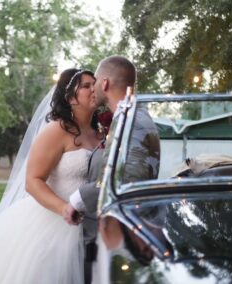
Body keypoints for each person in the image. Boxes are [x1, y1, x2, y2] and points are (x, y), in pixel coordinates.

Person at [0, 68, 102, 284]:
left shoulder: (101, 133)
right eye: (86, 86)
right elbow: (33, 181)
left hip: (94, 224)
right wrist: (64, 208)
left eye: (95, 83)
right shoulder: (57, 131)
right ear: (70, 97)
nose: (94, 89)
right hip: (54, 221)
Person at [62, 55, 161, 283]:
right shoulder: (129, 116)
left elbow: (125, 183)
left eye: (95, 81)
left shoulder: (131, 120)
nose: (93, 86)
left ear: (104, 83)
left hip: (125, 238)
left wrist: (77, 199)